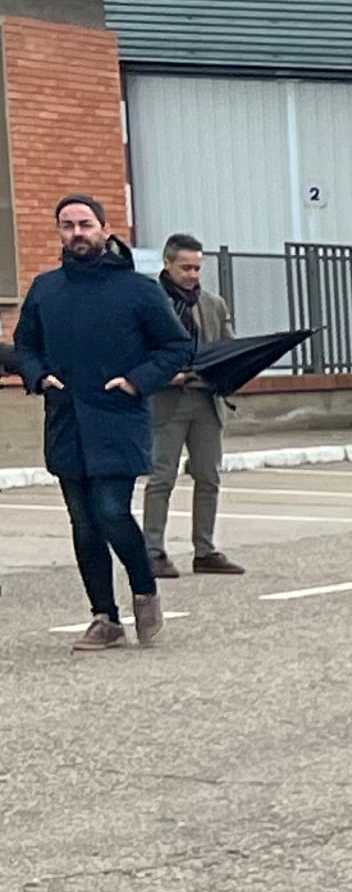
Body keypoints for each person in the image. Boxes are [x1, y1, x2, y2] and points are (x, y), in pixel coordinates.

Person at [14, 195, 190, 652]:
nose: (77, 233)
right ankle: (104, 618)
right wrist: (38, 376)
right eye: (68, 225)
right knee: (83, 523)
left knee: (111, 512)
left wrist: (137, 382)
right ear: (59, 233)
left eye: (85, 224)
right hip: (66, 420)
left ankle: (144, 590)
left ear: (105, 230)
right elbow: (25, 346)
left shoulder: (138, 290)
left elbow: (175, 348)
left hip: (117, 418)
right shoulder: (45, 289)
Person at [141, 236, 239, 580]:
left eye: (197, 267)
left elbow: (228, 347)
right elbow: (137, 350)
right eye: (185, 267)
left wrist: (225, 370)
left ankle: (206, 550)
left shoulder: (212, 304)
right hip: (166, 401)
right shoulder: (149, 301)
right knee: (161, 478)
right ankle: (152, 551)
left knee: (208, 475)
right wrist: (165, 375)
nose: (192, 274)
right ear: (167, 264)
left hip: (206, 399)